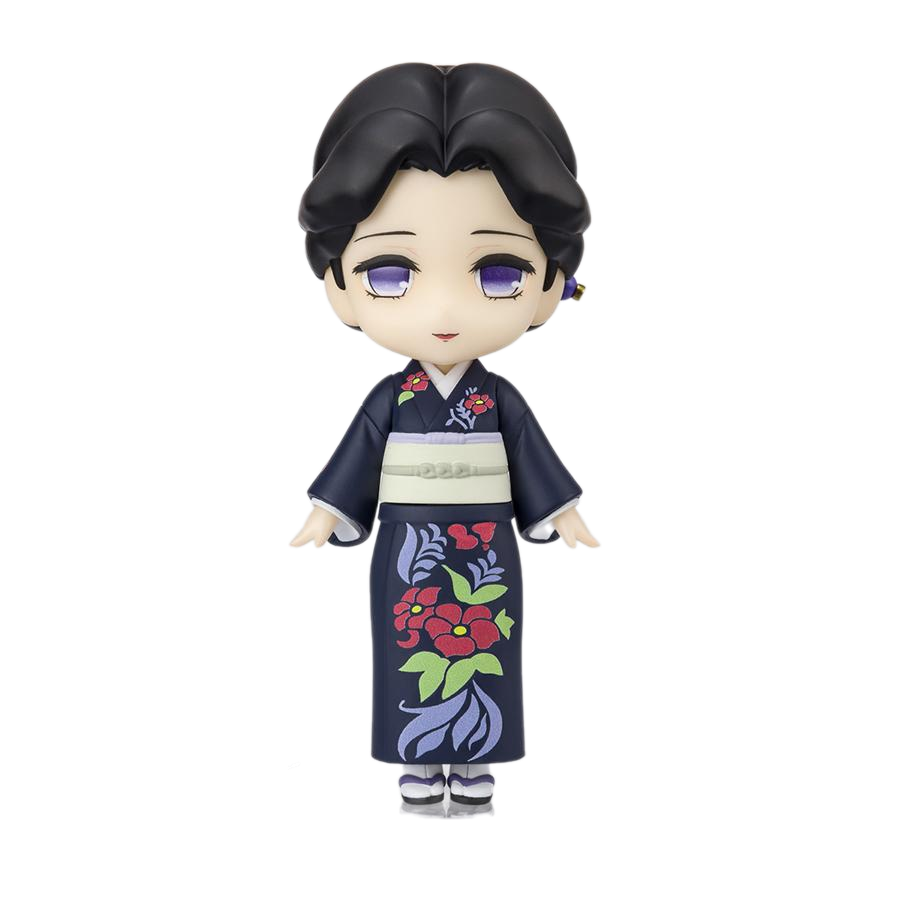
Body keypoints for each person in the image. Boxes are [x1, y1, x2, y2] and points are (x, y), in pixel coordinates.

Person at [289, 61, 600, 816]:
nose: (444, 310)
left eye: (498, 274)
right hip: (408, 550)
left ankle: (478, 765)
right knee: (408, 652)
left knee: (485, 648)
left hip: (487, 548)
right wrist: (324, 513)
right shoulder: (392, 398)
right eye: (390, 274)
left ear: (552, 285)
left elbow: (534, 460)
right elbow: (355, 459)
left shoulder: (500, 399)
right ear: (337, 286)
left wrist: (565, 514)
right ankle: (419, 768)